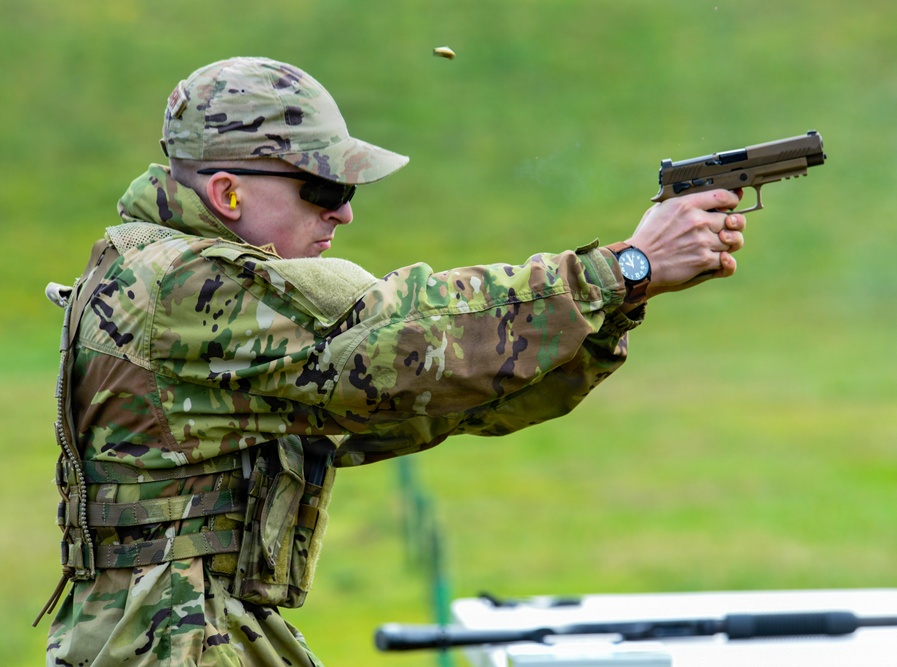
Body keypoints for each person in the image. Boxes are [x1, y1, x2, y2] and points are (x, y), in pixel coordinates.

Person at [38, 57, 747, 666]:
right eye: (325, 190)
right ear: (227, 193)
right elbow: (405, 343)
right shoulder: (188, 287)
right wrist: (622, 267)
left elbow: (431, 399)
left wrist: (619, 301)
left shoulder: (162, 274)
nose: (343, 215)